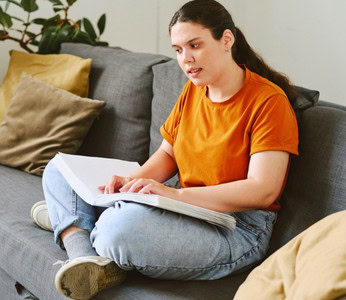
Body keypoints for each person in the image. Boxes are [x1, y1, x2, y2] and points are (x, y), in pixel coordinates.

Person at [31, 0, 299, 299]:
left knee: (117, 230)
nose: (186, 59)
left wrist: (174, 194)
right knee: (59, 169)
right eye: (178, 49)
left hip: (236, 227)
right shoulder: (195, 89)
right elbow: (168, 154)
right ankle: (84, 255)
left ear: (226, 39)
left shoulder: (268, 102)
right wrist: (129, 184)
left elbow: (263, 190)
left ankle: (73, 224)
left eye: (194, 45)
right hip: (183, 208)